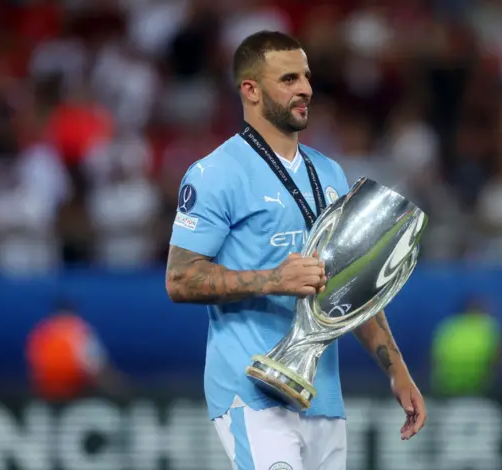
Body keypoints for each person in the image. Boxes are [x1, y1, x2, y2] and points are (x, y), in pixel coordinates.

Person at [165, 30, 426, 470]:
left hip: (321, 394)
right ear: (250, 90)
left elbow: (351, 287)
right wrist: (274, 280)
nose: (305, 88)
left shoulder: (329, 173)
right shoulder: (215, 173)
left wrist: (397, 372)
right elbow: (179, 279)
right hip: (251, 390)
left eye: (305, 76)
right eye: (288, 79)